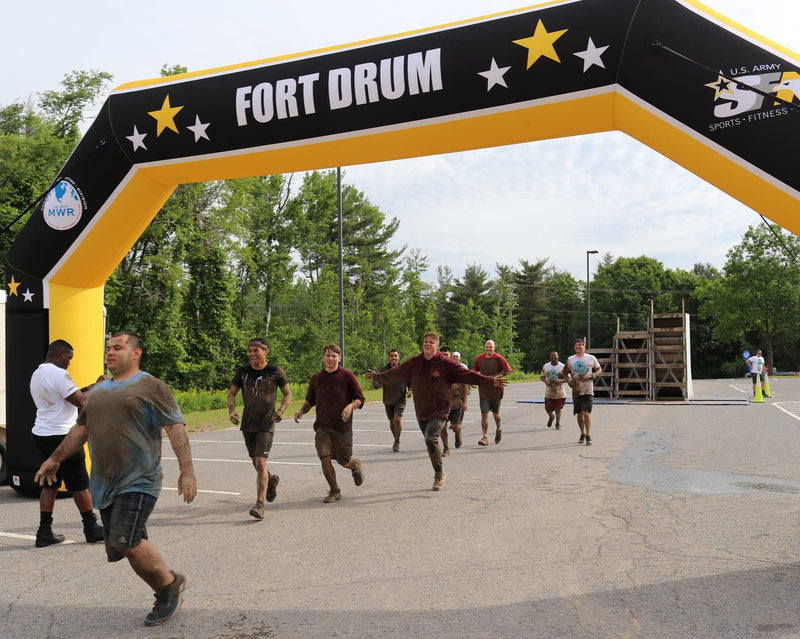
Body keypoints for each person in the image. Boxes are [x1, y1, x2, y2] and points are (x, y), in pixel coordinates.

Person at [35, 332, 197, 627]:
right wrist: (54, 459)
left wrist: (187, 471)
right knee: (124, 548)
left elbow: (175, 428)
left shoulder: (151, 386)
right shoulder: (97, 391)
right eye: (108, 348)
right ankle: (164, 590)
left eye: (118, 348)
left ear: (136, 354)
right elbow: (79, 431)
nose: (110, 352)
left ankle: (170, 584)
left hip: (139, 479)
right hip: (104, 484)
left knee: (126, 539)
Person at [366, 332, 507, 491]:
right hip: (422, 410)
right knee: (430, 442)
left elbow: (467, 375)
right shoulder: (414, 363)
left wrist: (490, 380)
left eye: (431, 342)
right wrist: (378, 377)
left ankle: (439, 474)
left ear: (437, 346)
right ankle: (439, 470)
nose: (427, 344)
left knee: (431, 438)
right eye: (425, 341)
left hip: (441, 409)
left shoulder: (445, 363)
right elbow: (396, 373)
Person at [29, 339, 106, 547]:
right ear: (60, 355)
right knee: (80, 484)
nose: (70, 363)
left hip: (42, 434)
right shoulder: (59, 374)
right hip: (63, 436)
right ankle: (91, 528)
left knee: (50, 483)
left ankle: (44, 531)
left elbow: (67, 396)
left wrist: (90, 386)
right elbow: (81, 401)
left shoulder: (38, 373)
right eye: (69, 358)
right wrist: (99, 387)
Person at [227, 337, 292, 520]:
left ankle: (259, 505)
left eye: (256, 350)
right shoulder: (243, 372)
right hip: (248, 422)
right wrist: (232, 411)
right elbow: (231, 393)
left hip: (267, 421)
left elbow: (287, 394)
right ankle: (271, 481)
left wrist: (281, 410)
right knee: (256, 462)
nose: (252, 354)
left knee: (261, 462)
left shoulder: (275, 372)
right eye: (250, 351)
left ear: (265, 352)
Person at [294, 344, 365, 503]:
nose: (330, 358)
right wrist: (301, 411)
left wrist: (350, 406)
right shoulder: (316, 378)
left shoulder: (347, 376)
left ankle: (354, 466)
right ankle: (334, 491)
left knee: (343, 461)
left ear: (339, 358)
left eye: (334, 356)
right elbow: (310, 400)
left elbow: (360, 399)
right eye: (328, 355)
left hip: (342, 427)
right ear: (323, 357)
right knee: (324, 457)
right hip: (323, 426)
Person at [473, 339, 512, 445]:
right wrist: (471, 380)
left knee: (496, 415)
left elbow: (508, 370)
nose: (489, 349)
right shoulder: (479, 358)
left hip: (496, 390)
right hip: (483, 390)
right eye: (487, 346)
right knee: (484, 414)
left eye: (491, 347)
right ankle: (484, 437)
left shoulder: (499, 358)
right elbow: (475, 371)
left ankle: (499, 428)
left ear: (494, 348)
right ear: (484, 347)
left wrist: (494, 377)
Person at [563, 339, 602, 446]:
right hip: (576, 389)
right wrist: (569, 381)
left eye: (580, 345)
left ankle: (588, 435)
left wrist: (595, 374)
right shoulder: (570, 359)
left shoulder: (591, 358)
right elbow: (564, 373)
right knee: (579, 413)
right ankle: (582, 433)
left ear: (584, 347)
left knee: (586, 412)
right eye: (576, 345)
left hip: (588, 388)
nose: (578, 347)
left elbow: (599, 369)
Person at [372, 348, 410, 452]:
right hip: (388, 399)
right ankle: (396, 438)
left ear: (398, 357)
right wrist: (375, 380)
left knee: (397, 419)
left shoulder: (403, 369)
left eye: (395, 356)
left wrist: (410, 390)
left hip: (400, 399)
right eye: (391, 356)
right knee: (392, 421)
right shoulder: (384, 370)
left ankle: (397, 441)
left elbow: (410, 381)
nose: (393, 358)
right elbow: (377, 384)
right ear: (388, 358)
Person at [439, 349, 470, 455]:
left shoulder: (457, 369)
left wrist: (465, 402)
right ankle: (446, 448)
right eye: (442, 355)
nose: (445, 357)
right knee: (442, 427)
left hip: (455, 402)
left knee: (455, 426)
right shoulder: (436, 370)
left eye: (446, 355)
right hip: (442, 404)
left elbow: (465, 386)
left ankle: (458, 435)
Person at [540, 351, 567, 430]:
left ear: (558, 356)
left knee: (558, 409)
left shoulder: (562, 366)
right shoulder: (546, 366)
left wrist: (560, 381)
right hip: (549, 392)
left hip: (560, 392)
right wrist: (545, 381)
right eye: (551, 355)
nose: (553, 357)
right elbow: (542, 377)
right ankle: (551, 416)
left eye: (555, 355)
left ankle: (558, 423)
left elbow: (567, 378)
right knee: (548, 409)